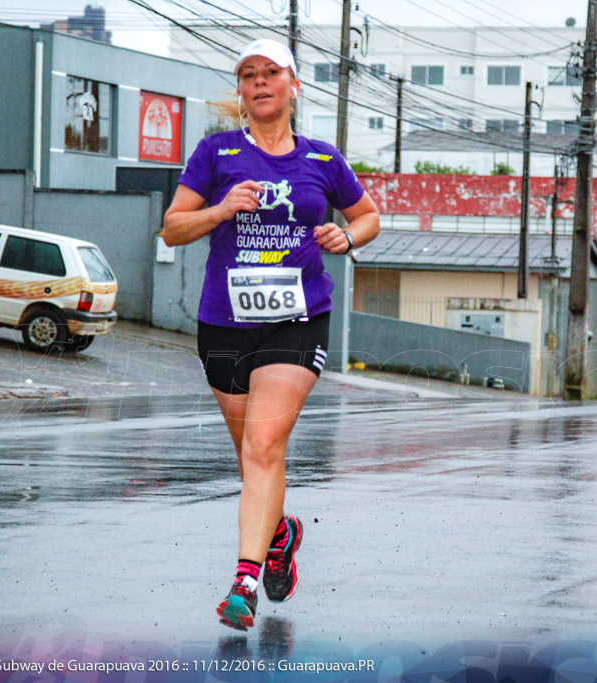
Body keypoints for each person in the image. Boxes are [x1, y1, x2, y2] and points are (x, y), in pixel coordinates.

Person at [161, 38, 380, 630]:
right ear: (241, 91)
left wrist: (348, 237)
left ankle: (244, 585)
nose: (259, 82)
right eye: (248, 75)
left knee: (262, 447)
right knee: (253, 459)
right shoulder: (215, 152)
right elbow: (173, 229)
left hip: (298, 317)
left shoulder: (322, 160)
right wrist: (219, 209)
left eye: (270, 73)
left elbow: (368, 215)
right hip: (225, 324)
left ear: (293, 86)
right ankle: (280, 532)